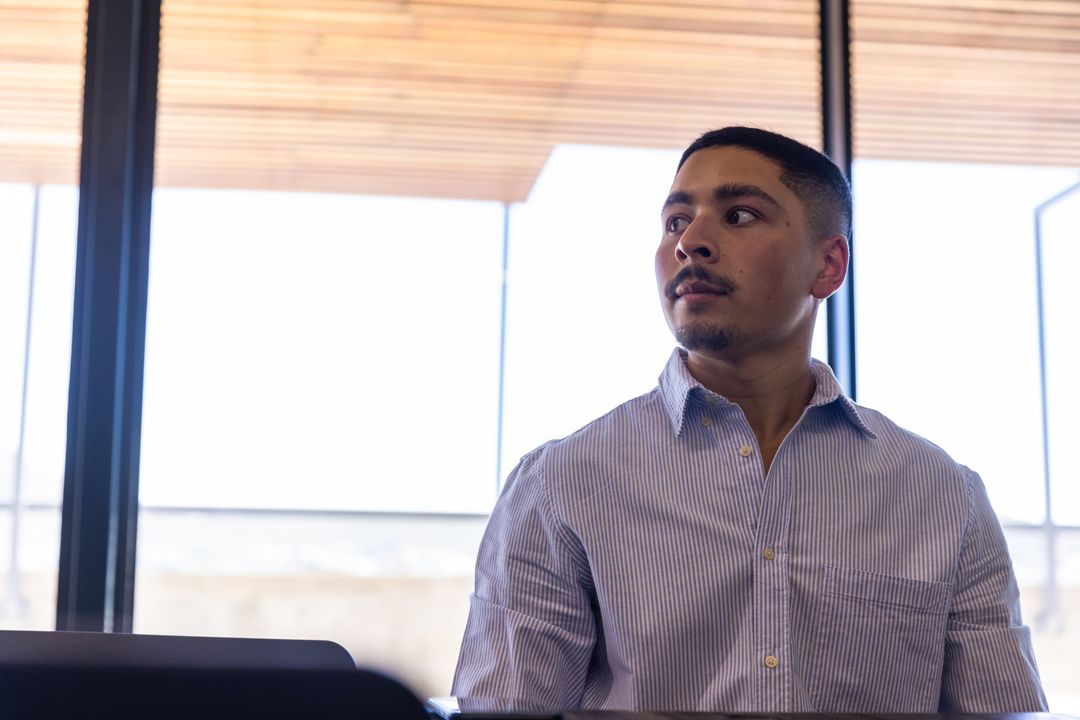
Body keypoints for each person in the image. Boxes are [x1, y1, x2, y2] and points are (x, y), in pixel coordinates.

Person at [451, 127, 1047, 713]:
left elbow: (1000, 715)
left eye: (738, 216)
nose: (691, 243)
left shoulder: (941, 493)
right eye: (676, 221)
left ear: (828, 265)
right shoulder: (560, 482)